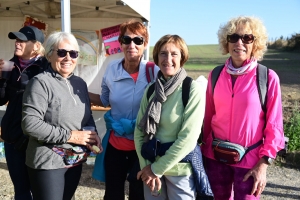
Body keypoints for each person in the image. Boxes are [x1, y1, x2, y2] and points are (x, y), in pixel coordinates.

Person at [201, 16, 285, 200]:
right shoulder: (215, 75)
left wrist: (263, 164)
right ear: (226, 42)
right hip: (215, 157)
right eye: (233, 37)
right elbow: (207, 118)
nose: (239, 42)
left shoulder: (267, 78)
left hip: (250, 162)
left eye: (247, 38)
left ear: (255, 43)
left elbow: (275, 127)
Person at [21, 31, 103, 200]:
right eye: (61, 52)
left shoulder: (79, 83)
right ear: (49, 54)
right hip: (48, 161)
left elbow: (86, 116)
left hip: (73, 159)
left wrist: (91, 135)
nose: (68, 58)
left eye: (73, 53)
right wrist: (72, 136)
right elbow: (30, 124)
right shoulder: (40, 83)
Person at [134, 34, 213, 200]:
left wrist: (156, 169)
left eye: (174, 54)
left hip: (180, 171)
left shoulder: (192, 90)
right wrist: (146, 167)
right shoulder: (150, 90)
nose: (168, 59)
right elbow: (139, 132)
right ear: (156, 57)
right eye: (163, 53)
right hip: (151, 169)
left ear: (182, 57)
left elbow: (188, 139)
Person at [90, 20, 160, 200]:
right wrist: (80, 89)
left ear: (145, 44)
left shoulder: (154, 71)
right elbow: (105, 100)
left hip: (142, 147)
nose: (132, 45)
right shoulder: (112, 69)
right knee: (113, 193)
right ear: (120, 42)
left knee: (138, 194)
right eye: (126, 39)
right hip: (116, 144)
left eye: (138, 40)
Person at [0, 25, 48, 200]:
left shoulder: (47, 68)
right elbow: (1, 100)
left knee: (40, 190)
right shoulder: (8, 65)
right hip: (13, 136)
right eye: (16, 40)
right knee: (20, 190)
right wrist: (1, 80)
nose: (17, 43)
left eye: (22, 40)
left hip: (36, 138)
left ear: (36, 45)